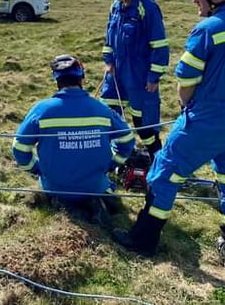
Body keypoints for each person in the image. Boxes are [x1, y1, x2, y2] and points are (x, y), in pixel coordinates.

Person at [113, 0, 225, 270]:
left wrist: (190, 107)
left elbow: (185, 80)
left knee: (164, 171)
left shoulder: (208, 30)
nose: (194, 1)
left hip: (206, 115)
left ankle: (143, 239)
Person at [12, 54, 135, 221]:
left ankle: (63, 206)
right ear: (82, 77)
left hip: (54, 185)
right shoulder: (102, 109)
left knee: (59, 193)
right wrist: (113, 163)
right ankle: (97, 204)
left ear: (56, 80)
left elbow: (19, 148)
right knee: (99, 190)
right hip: (95, 185)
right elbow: (127, 140)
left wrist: (36, 169)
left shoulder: (41, 110)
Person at [100, 0, 170, 159]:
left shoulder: (147, 7)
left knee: (144, 124)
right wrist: (108, 60)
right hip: (115, 74)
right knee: (108, 116)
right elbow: (109, 40)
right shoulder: (115, 7)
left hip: (140, 76)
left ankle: (157, 159)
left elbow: (159, 45)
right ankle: (113, 157)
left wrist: (154, 77)